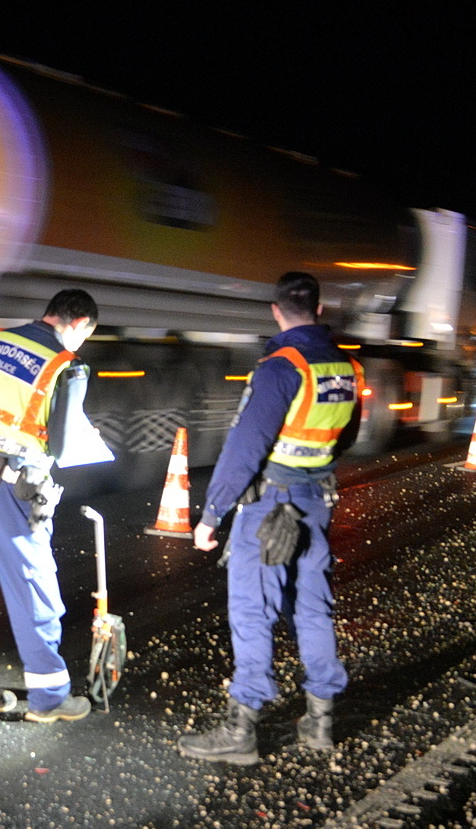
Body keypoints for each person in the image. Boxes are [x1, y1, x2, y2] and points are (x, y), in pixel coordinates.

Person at [177, 271, 363, 763]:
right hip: (316, 503)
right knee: (313, 606)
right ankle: (320, 720)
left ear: (276, 311)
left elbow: (245, 446)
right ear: (319, 311)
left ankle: (242, 725)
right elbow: (345, 436)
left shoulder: (281, 366)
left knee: (253, 609)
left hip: (269, 507)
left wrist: (211, 514)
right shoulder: (345, 369)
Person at [0, 288, 100, 723]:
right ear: (80, 324)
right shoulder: (66, 366)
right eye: (85, 335)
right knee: (32, 588)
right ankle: (49, 699)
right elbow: (65, 443)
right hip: (9, 491)